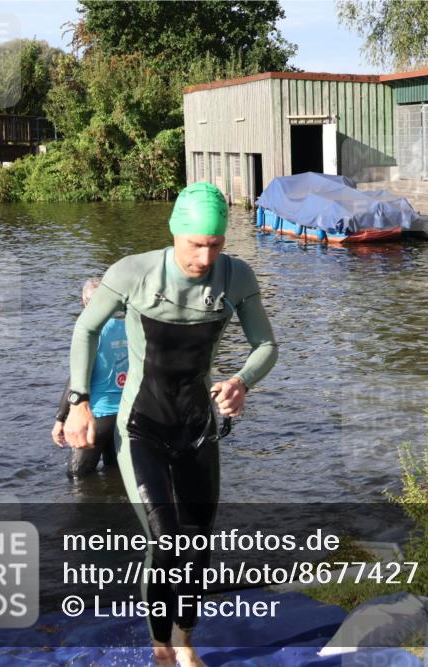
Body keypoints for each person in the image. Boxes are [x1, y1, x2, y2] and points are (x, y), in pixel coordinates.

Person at [64, 182, 277, 667]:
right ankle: (161, 647)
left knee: (197, 546)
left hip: (198, 427)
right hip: (142, 426)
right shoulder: (133, 272)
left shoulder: (235, 277)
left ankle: (184, 641)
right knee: (165, 540)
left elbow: (266, 345)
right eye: (195, 244)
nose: (205, 257)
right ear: (175, 232)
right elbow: (87, 327)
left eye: (215, 244)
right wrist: (77, 401)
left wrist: (242, 381)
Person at [52, 277, 127, 477]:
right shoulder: (127, 327)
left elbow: (76, 380)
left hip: (97, 417)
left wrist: (60, 418)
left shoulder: (90, 333)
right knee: (115, 473)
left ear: (85, 302)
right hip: (125, 416)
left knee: (77, 477)